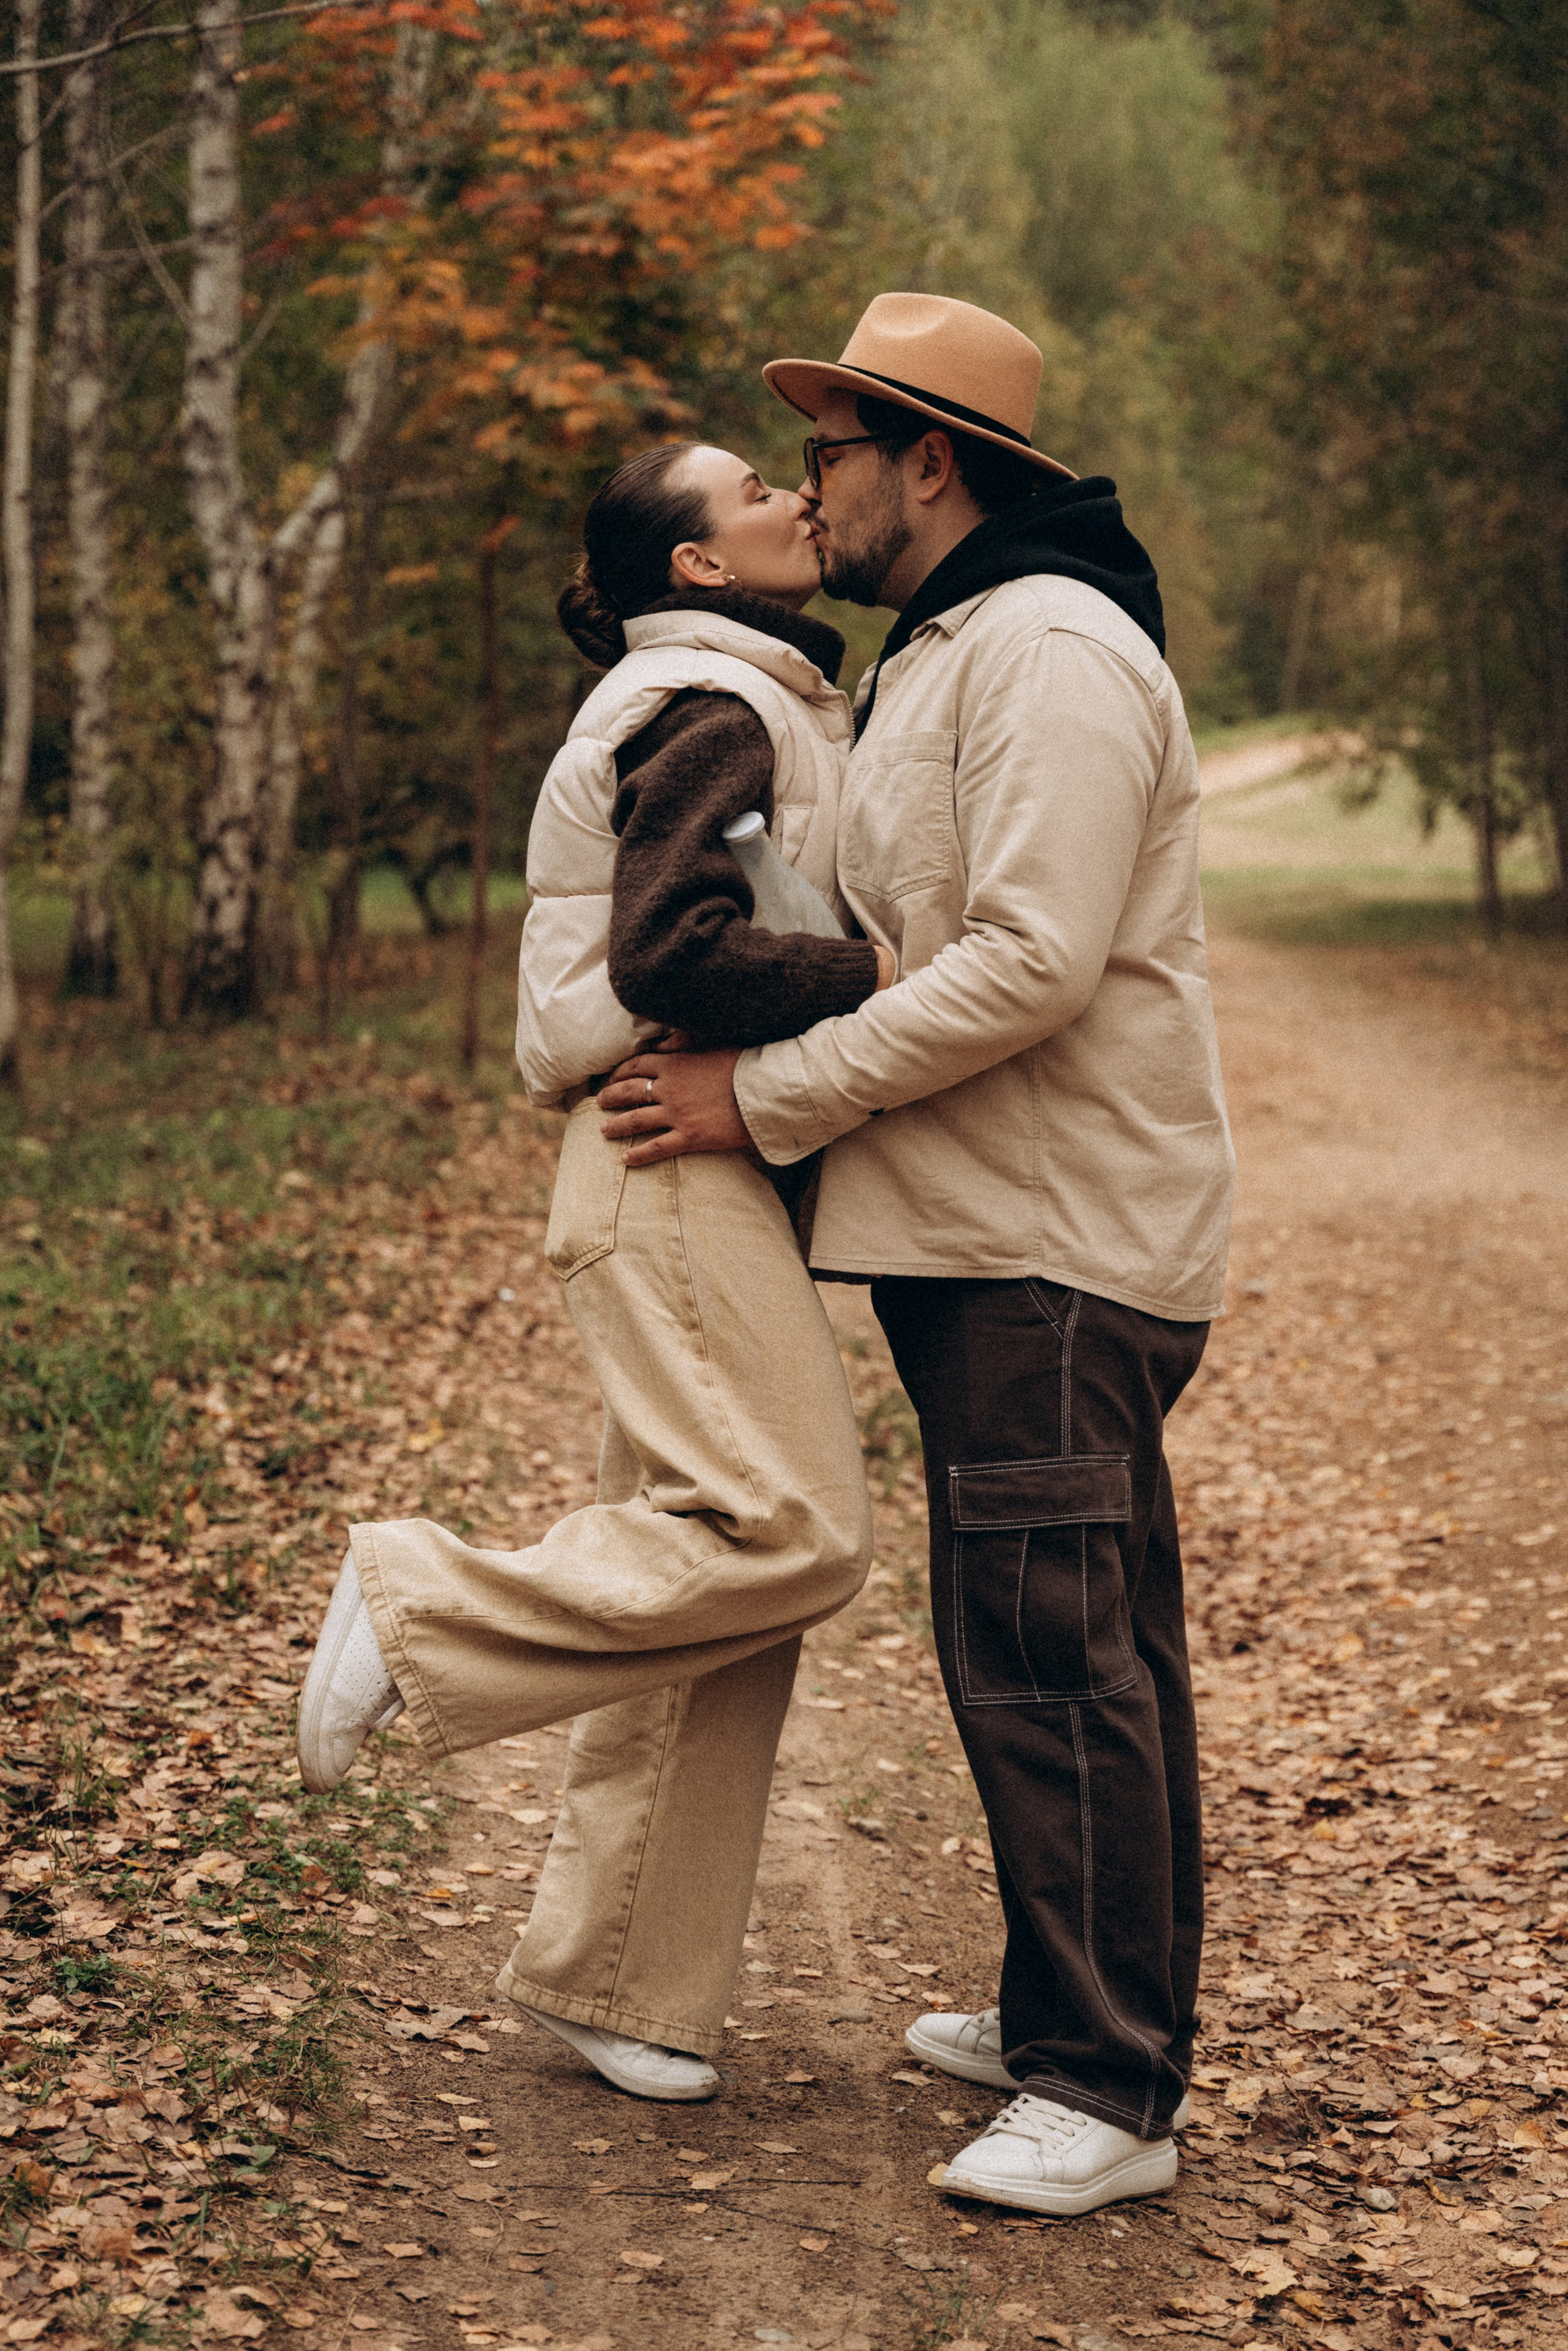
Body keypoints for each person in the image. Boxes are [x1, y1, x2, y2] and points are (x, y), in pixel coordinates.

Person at [597, 293, 1235, 2214]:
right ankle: (1078, 2005)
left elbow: (1029, 964)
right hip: (1000, 1229)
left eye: (833, 457)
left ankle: (1106, 2088)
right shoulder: (965, 643)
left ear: (929, 461)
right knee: (1084, 1638)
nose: (815, 492)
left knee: (1053, 1656)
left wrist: (763, 1098)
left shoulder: (1046, 649)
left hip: (1055, 1235)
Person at [296, 440, 890, 2102]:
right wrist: (881, 971)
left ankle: (619, 1977)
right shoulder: (707, 698)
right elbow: (670, 950)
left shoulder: (742, 686)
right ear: (696, 567)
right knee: (789, 1530)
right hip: (659, 1154)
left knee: (719, 1591)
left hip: (686, 1159)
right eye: (757, 488)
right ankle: (413, 1598)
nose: (793, 498)